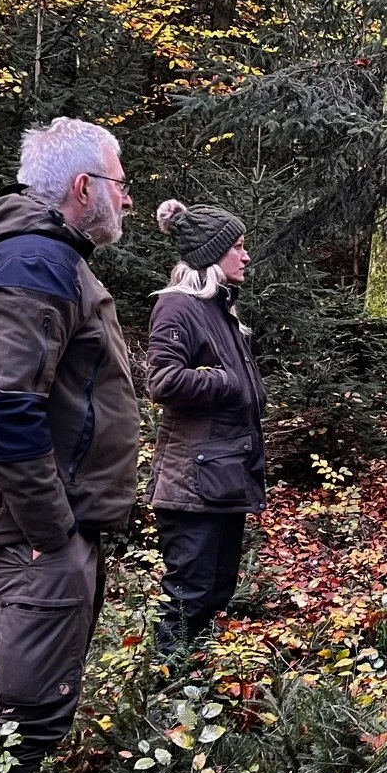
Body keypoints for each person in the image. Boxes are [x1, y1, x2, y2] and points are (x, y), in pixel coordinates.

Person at [0, 116, 139, 773]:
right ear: (84, 185)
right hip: (39, 533)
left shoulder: (52, 261)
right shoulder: (35, 264)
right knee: (25, 714)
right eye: (120, 184)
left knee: (38, 703)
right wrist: (50, 531)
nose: (128, 200)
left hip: (56, 525)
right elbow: (4, 407)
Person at [146, 199, 267, 660]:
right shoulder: (177, 307)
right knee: (190, 594)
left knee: (215, 590)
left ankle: (189, 682)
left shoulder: (220, 311)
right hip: (191, 484)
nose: (245, 256)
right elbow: (163, 380)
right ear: (210, 255)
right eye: (237, 247)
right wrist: (225, 380)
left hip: (221, 477)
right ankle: (161, 684)